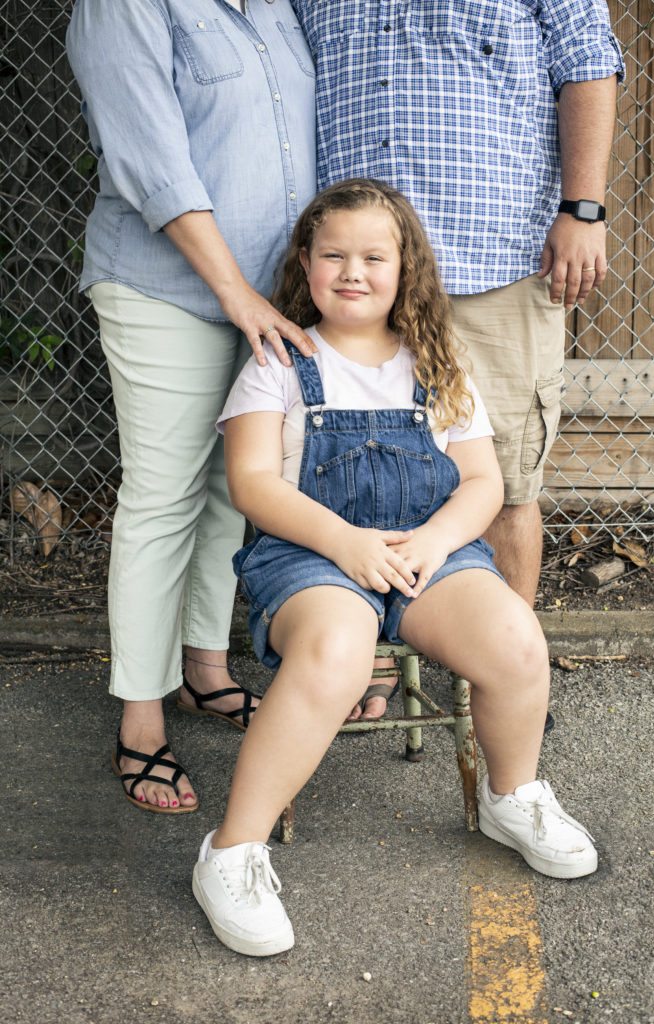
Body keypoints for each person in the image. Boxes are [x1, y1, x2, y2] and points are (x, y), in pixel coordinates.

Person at [192, 179, 598, 958]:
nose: (353, 271)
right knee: (337, 654)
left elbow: (483, 483)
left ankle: (511, 796)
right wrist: (345, 542)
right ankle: (232, 851)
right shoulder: (280, 362)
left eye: (373, 256)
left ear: (404, 266)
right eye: (333, 255)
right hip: (312, 556)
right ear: (304, 265)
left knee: (515, 641)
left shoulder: (437, 362)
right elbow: (253, 483)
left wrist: (439, 542)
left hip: (425, 552)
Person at [291, 2, 625, 717]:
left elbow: (588, 62)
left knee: (502, 476)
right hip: (359, 274)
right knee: (355, 474)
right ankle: (369, 655)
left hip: (494, 256)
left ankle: (501, 671)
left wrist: (584, 208)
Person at [66, 0, 317, 813]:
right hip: (165, 289)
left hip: (265, 296)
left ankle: (203, 672)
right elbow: (153, 162)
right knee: (164, 494)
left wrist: (268, 293)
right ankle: (139, 723)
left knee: (225, 491)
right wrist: (234, 292)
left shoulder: (276, 7)